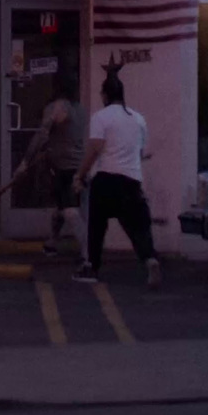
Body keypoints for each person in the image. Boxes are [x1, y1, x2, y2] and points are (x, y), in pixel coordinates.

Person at [71, 68, 161, 287]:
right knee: (138, 226)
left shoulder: (101, 118)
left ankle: (92, 267)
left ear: (104, 95)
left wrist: (80, 175)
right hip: (132, 180)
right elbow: (141, 152)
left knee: (97, 226)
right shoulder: (138, 119)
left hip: (106, 180)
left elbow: (94, 150)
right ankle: (149, 259)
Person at [20, 74, 85, 256]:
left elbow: (42, 135)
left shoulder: (56, 108)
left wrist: (25, 162)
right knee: (60, 208)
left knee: (70, 211)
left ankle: (89, 255)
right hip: (77, 166)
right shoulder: (80, 109)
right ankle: (52, 241)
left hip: (66, 169)